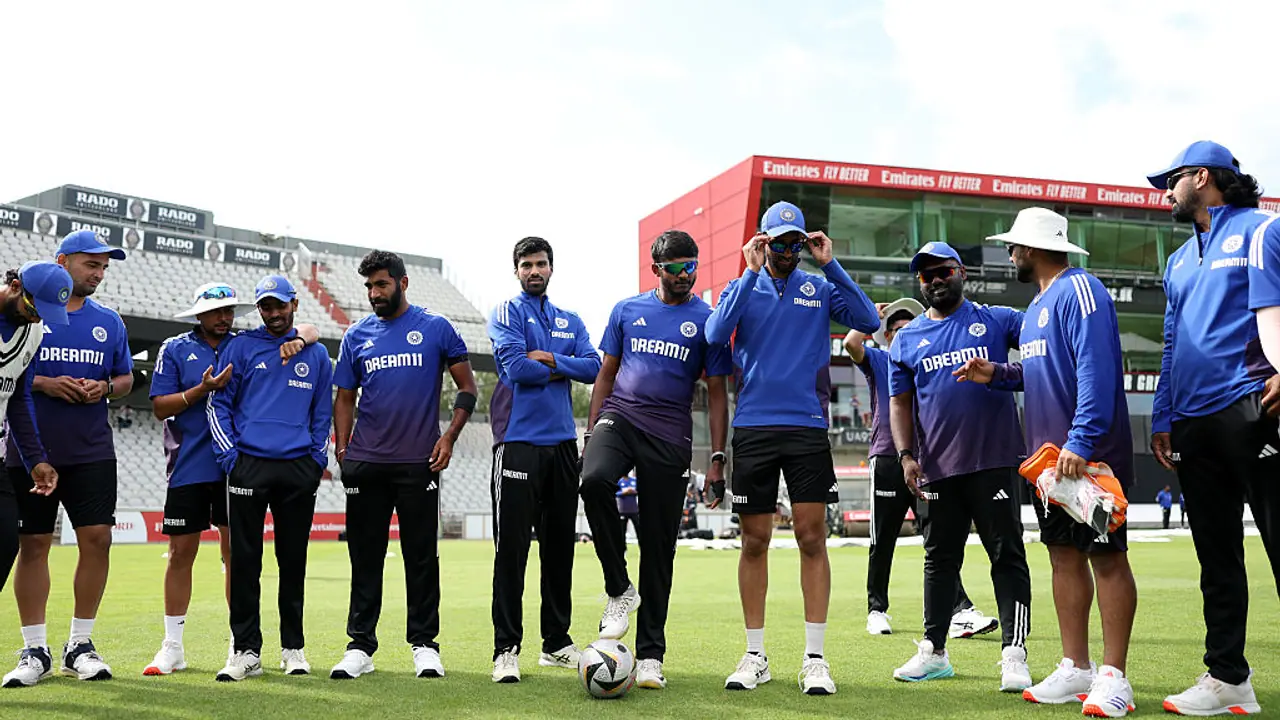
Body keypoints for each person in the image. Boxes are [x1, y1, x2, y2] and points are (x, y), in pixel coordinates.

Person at [954, 207, 1138, 715]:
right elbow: (1044, 372)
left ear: (1030, 248)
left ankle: (1114, 676)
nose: (1009, 253)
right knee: (1062, 556)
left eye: (1013, 246)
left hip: (1088, 459)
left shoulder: (1081, 290)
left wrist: (1082, 440)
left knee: (1107, 558)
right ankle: (1076, 667)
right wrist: (999, 373)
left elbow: (1096, 370)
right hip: (1048, 465)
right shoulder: (1038, 304)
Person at [705, 201, 879, 695]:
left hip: (806, 428)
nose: (785, 251)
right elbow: (716, 335)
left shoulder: (819, 287)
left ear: (804, 243)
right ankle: (755, 655)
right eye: (776, 242)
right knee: (754, 541)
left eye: (793, 243)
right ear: (762, 241)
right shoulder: (743, 286)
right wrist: (747, 271)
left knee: (810, 537)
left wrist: (831, 263)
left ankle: (815, 658)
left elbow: (867, 317)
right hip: (755, 428)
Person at [1147, 140, 1278, 715]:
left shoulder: (1262, 230)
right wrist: (1162, 414)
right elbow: (1173, 342)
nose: (1164, 193)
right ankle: (1228, 680)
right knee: (1216, 559)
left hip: (1256, 408)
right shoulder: (1177, 260)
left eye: (1170, 181)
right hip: (1193, 422)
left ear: (1202, 177)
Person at [579, 229, 732, 690]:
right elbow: (606, 373)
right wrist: (591, 431)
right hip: (620, 418)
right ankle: (618, 588)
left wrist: (719, 459)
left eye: (692, 267)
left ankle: (650, 656)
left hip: (670, 436)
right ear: (656, 270)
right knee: (593, 481)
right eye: (676, 268)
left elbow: (719, 393)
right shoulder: (627, 310)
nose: (686, 276)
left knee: (659, 548)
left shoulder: (709, 321)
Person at [142, 282, 319, 676]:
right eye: (216, 311)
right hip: (189, 463)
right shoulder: (175, 348)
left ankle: (238, 647)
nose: (224, 318)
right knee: (179, 555)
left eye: (229, 311)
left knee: (235, 558)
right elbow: (158, 408)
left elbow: (303, 331)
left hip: (238, 469)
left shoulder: (245, 343)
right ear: (199, 314)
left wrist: (307, 336)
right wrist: (199, 391)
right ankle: (172, 646)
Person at [886, 241, 1033, 692]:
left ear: (961, 272)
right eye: (926, 275)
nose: (935, 280)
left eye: (942, 271)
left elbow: (1049, 355)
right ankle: (934, 652)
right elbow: (899, 403)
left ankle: (1014, 653)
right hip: (936, 469)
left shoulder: (996, 320)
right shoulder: (906, 339)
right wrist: (906, 456)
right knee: (939, 559)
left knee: (1006, 554)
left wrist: (1004, 373)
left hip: (993, 462)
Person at [327, 251, 477, 681]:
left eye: (382, 285)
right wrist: (343, 451)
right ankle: (360, 647)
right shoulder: (357, 335)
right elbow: (344, 397)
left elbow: (467, 389)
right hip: (367, 464)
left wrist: (448, 437)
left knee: (421, 559)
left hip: (419, 463)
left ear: (403, 282)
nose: (375, 293)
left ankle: (425, 646)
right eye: (370, 287)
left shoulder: (436, 328)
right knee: (365, 558)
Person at [4, 231, 132, 687]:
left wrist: (106, 388)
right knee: (34, 545)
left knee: (97, 539)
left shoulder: (109, 322)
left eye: (103, 268)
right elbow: (15, 380)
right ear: (62, 262)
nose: (97, 274)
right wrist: (47, 383)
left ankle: (80, 644)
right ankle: (33, 648)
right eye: (89, 265)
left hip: (92, 449)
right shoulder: (28, 312)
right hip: (29, 450)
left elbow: (125, 378)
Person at [843, 298, 997, 639]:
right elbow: (851, 343)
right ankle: (876, 609)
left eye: (907, 327)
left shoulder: (930, 361)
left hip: (924, 463)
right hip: (887, 459)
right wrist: (872, 313)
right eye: (895, 329)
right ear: (886, 335)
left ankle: (959, 610)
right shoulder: (881, 360)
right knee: (882, 538)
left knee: (937, 538)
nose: (901, 333)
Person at [208, 274, 333, 682]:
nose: (274, 313)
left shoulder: (316, 356)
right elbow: (220, 402)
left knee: (292, 561)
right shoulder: (241, 347)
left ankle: (293, 648)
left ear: (294, 304)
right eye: (266, 306)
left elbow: (321, 412)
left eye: (280, 305)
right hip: (249, 465)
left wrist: (316, 458)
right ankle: (246, 651)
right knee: (245, 561)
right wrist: (230, 456)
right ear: (259, 309)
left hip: (298, 467)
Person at [487, 237, 601, 683]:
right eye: (527, 264)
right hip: (517, 442)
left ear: (552, 268)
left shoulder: (569, 318)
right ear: (516, 270)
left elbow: (593, 367)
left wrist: (552, 359)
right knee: (511, 552)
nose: (535, 270)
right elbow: (517, 369)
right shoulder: (507, 313)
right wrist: (564, 366)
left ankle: (555, 643)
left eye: (541, 263)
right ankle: (506, 649)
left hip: (561, 446)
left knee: (559, 552)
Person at [0, 262, 72, 603]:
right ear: (15, 286)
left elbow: (18, 399)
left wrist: (36, 460)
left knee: (5, 541)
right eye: (33, 308)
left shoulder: (34, 333)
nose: (37, 318)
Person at [616, 475, 639, 539]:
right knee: (622, 529)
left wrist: (634, 491)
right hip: (623, 510)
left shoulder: (634, 480)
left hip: (634, 509)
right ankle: (622, 547)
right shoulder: (619, 481)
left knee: (638, 527)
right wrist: (624, 492)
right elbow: (615, 493)